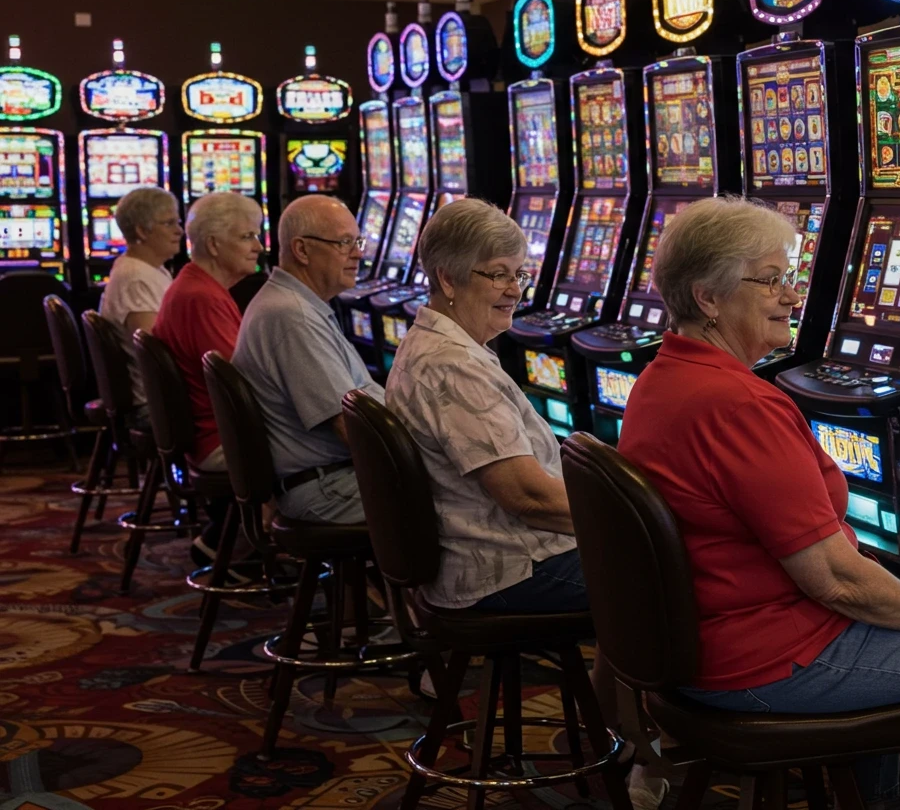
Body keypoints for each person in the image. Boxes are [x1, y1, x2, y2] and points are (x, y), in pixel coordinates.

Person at [618, 197, 900, 810]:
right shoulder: (737, 404)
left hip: (700, 639)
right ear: (707, 297)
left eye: (789, 278)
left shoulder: (664, 376)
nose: (791, 296)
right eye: (770, 280)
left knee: (893, 614)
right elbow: (834, 580)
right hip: (756, 657)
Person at [384, 198, 667, 807]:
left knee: (649, 560)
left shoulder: (439, 344)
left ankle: (614, 733)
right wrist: (643, 520)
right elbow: (527, 496)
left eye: (520, 273)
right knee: (671, 573)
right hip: (501, 567)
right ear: (447, 279)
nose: (515, 289)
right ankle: (649, 750)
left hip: (480, 553)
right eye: (498, 274)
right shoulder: (453, 365)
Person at [232, 195, 382, 524]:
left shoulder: (295, 304)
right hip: (327, 487)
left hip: (331, 476)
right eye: (344, 243)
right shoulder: (292, 317)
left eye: (358, 242)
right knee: (465, 497)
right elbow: (352, 428)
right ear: (301, 250)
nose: (358, 253)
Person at [153, 192, 264, 472]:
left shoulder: (197, 286)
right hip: (224, 440)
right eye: (247, 237)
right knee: (340, 448)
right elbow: (244, 383)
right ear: (214, 245)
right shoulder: (201, 298)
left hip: (221, 433)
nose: (259, 247)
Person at [98, 187, 184, 418]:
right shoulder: (135, 278)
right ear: (141, 231)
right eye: (169, 223)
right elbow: (155, 353)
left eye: (177, 222)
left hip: (163, 395)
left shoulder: (150, 269)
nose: (179, 230)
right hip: (155, 403)